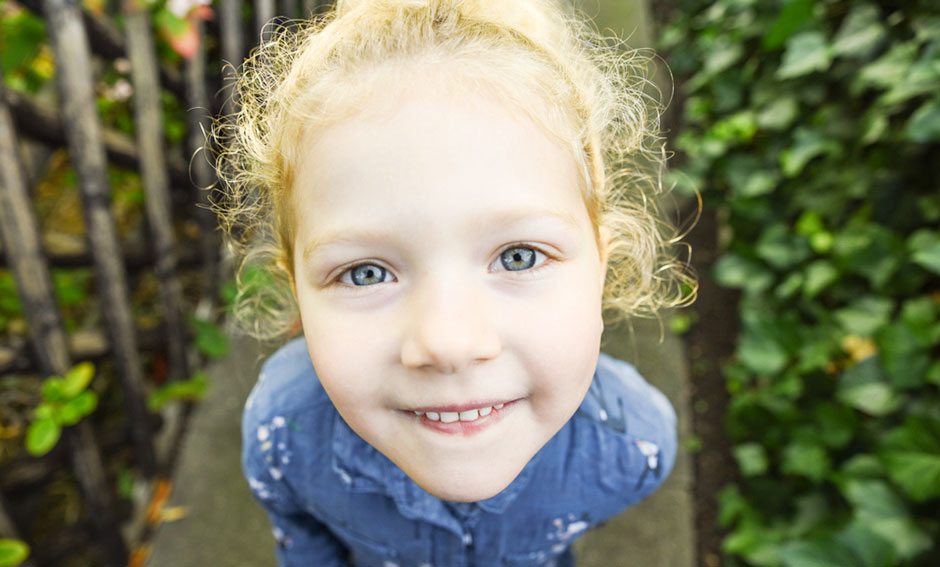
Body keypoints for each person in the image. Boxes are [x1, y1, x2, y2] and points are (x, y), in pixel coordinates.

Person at [212, 0, 695, 565]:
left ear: (602, 265)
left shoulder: (631, 446)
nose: (448, 343)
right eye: (365, 273)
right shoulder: (282, 438)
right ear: (296, 290)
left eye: (518, 257)